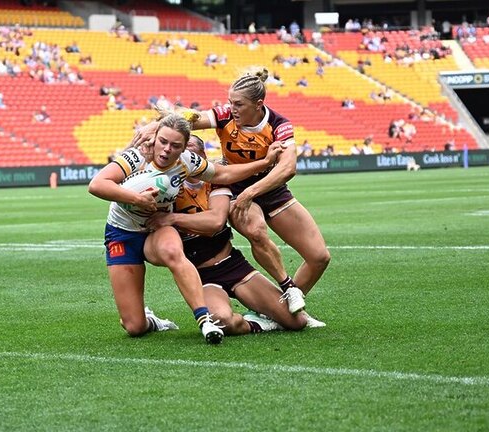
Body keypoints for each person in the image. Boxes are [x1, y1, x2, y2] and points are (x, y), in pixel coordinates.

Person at [132, 68, 329, 327]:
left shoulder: (280, 126)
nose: (231, 108)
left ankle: (278, 307)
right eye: (230, 102)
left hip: (269, 189)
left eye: (238, 104)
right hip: (234, 185)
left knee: (319, 257)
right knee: (256, 230)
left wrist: (252, 192)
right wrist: (154, 125)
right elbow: (189, 120)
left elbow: (287, 168)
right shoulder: (225, 116)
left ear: (259, 104)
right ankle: (285, 288)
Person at [88, 113, 283, 344]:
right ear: (156, 137)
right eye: (163, 142)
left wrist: (265, 163)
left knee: (173, 251)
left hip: (156, 229)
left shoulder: (187, 161)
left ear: (183, 149)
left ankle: (204, 320)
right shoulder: (136, 157)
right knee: (134, 326)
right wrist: (137, 199)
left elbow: (223, 173)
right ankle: (151, 321)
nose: (166, 150)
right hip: (122, 233)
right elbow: (97, 185)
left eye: (175, 145)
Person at [147, 135, 307, 335]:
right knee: (223, 320)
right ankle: (254, 323)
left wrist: (172, 219)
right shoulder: (167, 187)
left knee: (297, 322)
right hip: (201, 275)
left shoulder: (214, 181)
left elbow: (215, 222)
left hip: (233, 264)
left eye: (194, 153)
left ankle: (263, 311)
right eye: (184, 154)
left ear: (203, 157)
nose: (189, 159)